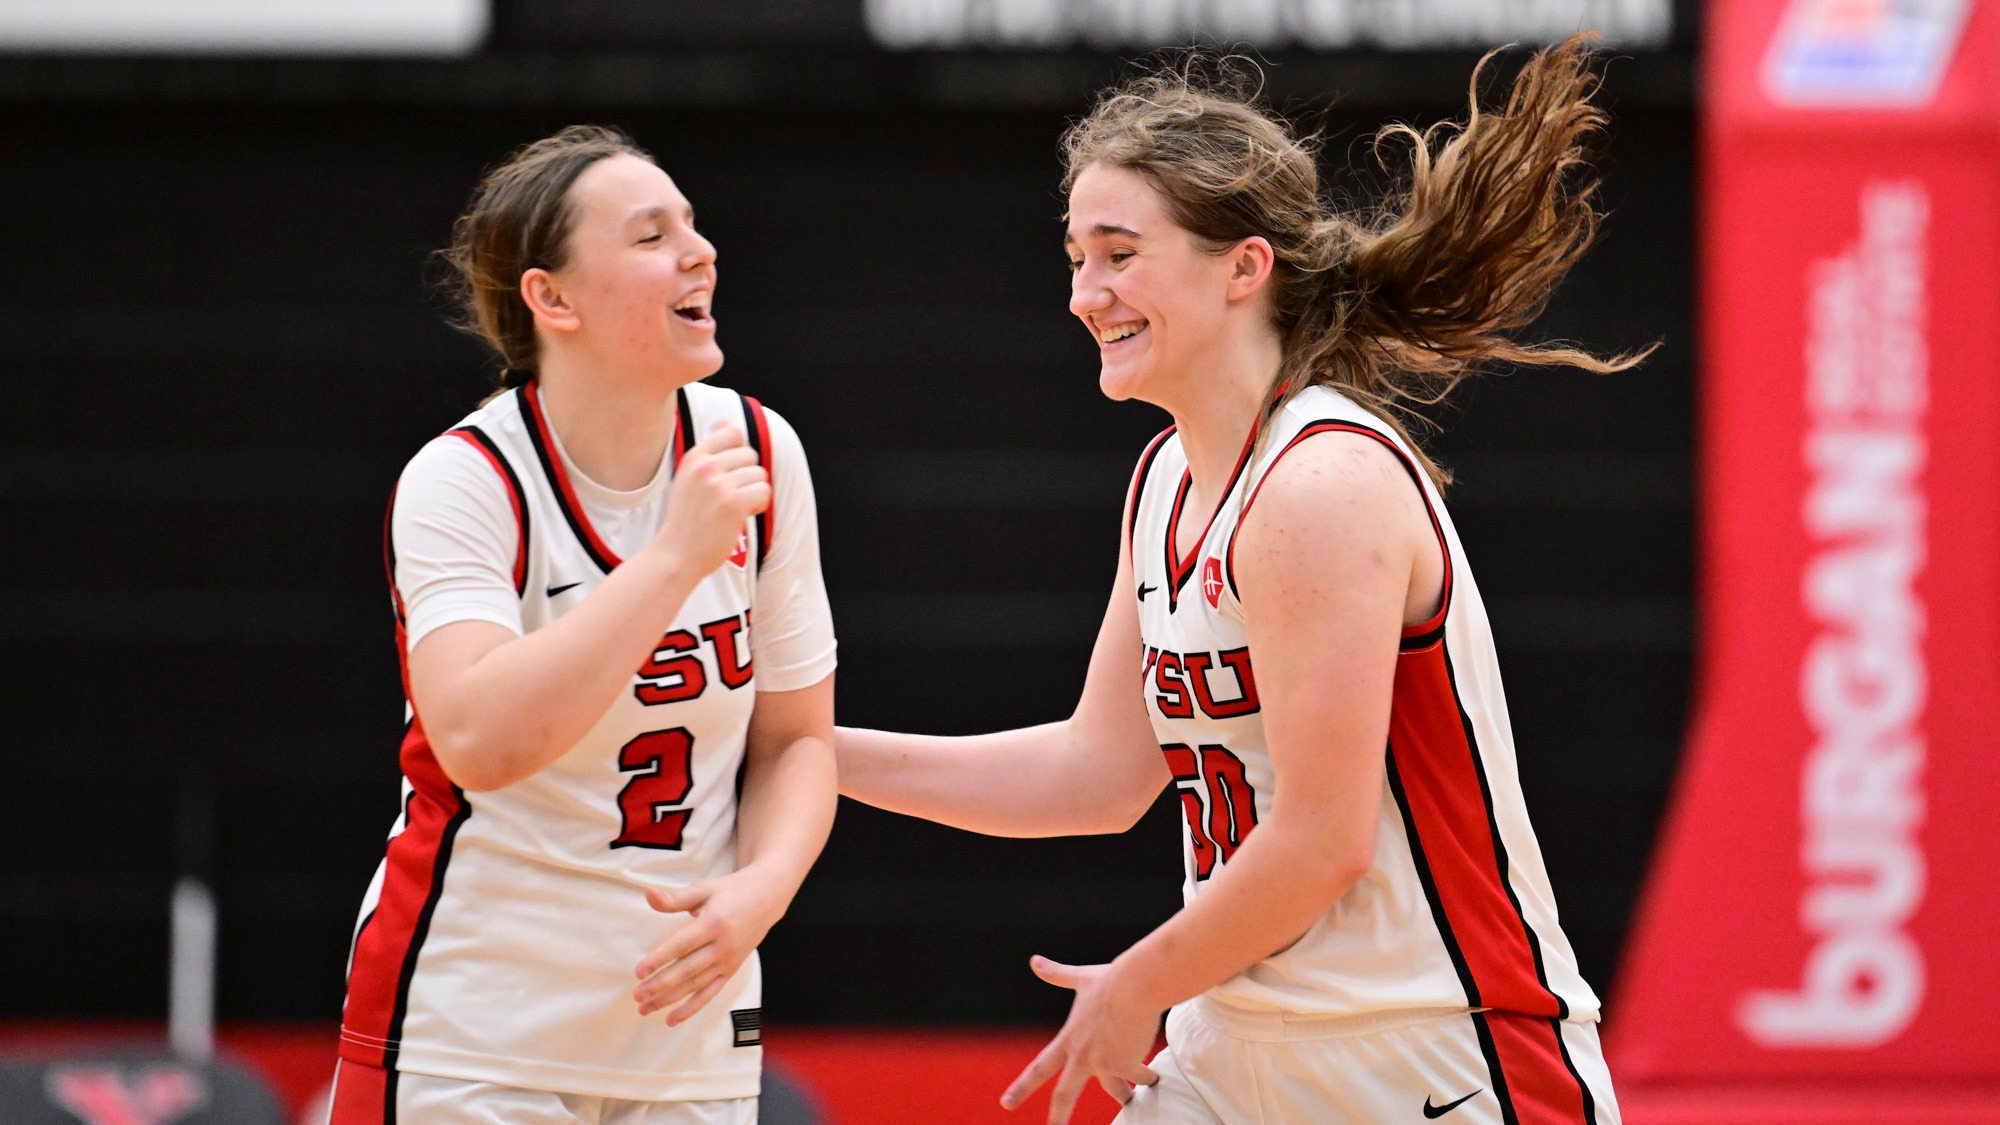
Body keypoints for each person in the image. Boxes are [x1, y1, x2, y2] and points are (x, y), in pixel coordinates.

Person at [835, 35, 1640, 1125]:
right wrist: (802, 748)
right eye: (1074, 256)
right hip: (1235, 1044)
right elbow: (1098, 774)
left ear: (1242, 267)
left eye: (1118, 254)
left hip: (1426, 1050)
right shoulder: (1165, 477)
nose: (1083, 294)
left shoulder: (1320, 483)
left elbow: (1321, 841)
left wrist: (1132, 988)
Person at [329, 126, 838, 1124]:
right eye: (652, 236)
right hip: (474, 1029)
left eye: (692, 226)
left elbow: (796, 739)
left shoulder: (760, 450)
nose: (700, 252)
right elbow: (477, 740)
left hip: (684, 1031)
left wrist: (765, 888)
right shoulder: (465, 480)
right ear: (550, 297)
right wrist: (669, 561)